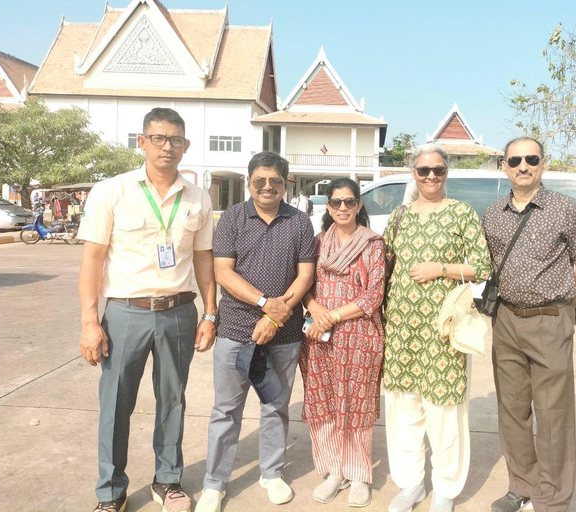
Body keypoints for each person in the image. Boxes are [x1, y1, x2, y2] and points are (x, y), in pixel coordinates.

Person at [77, 107, 217, 512]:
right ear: (142, 142)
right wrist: (90, 323)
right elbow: (92, 261)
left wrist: (210, 313)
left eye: (175, 139)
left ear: (186, 146)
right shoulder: (112, 191)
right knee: (116, 402)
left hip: (179, 312)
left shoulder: (198, 197)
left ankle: (168, 480)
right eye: (158, 138)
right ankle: (110, 492)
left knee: (173, 399)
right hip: (125, 313)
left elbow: (204, 259)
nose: (167, 146)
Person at [481, 137, 576, 512]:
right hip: (506, 321)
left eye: (531, 159)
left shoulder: (566, 208)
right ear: (504, 166)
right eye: (515, 160)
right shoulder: (493, 213)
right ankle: (523, 485)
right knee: (512, 409)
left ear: (543, 165)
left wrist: (561, 308)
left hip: (550, 321)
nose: (523, 165)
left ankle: (552, 498)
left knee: (553, 414)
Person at [197, 151, 316, 512]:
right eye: (260, 180)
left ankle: (271, 472)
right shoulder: (232, 218)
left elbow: (305, 275)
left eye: (275, 181)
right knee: (226, 410)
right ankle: (215, 483)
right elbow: (223, 273)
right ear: (249, 182)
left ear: (286, 183)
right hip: (235, 329)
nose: (268, 187)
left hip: (284, 334)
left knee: (276, 406)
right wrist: (266, 304)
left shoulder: (299, 222)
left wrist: (277, 316)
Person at [382, 144, 492, 512]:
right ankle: (410, 483)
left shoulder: (461, 214)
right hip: (401, 326)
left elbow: (483, 267)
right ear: (413, 173)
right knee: (404, 409)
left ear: (447, 173)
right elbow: (383, 263)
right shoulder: (399, 217)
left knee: (444, 409)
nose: (431, 177)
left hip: (442, 327)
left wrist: (440, 269)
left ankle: (445, 488)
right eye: (424, 170)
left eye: (438, 170)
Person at [299, 178, 386, 507]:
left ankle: (360, 474)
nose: (343, 208)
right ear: (328, 206)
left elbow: (373, 295)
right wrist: (315, 308)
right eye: (336, 202)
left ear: (359, 205)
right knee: (329, 403)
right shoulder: (319, 242)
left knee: (356, 405)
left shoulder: (372, 244)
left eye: (349, 202)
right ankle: (336, 470)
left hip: (359, 336)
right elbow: (304, 282)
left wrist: (332, 316)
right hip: (319, 336)